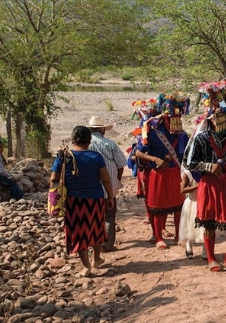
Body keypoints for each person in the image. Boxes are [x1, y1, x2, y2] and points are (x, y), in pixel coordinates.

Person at [184, 80, 226, 273]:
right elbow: (189, 163)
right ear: (211, 119)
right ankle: (211, 259)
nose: (223, 120)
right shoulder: (201, 139)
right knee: (210, 225)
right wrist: (208, 166)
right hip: (209, 185)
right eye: (219, 116)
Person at [50, 126, 115, 277]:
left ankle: (86, 266)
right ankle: (97, 259)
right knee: (96, 228)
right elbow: (105, 179)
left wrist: (55, 199)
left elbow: (53, 179)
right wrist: (110, 196)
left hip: (74, 201)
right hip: (95, 199)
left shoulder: (63, 156)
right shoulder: (95, 157)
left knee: (78, 233)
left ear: (72, 140)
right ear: (89, 140)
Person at [136, 93, 190, 249]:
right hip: (158, 174)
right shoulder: (151, 132)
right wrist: (155, 159)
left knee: (179, 206)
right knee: (158, 207)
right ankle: (159, 237)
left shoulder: (182, 134)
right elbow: (138, 153)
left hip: (176, 173)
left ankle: (179, 235)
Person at [87, 116, 127, 252]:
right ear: (102, 129)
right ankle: (106, 244)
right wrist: (117, 180)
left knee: (93, 216)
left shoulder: (85, 144)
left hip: (90, 188)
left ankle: (93, 243)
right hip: (108, 186)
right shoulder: (110, 144)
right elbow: (121, 165)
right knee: (109, 215)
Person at [179, 167, 205, 259]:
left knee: (205, 227)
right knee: (190, 226)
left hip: (204, 203)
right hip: (192, 203)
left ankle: (205, 250)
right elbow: (182, 190)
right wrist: (197, 186)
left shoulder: (205, 172)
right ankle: (189, 245)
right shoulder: (187, 174)